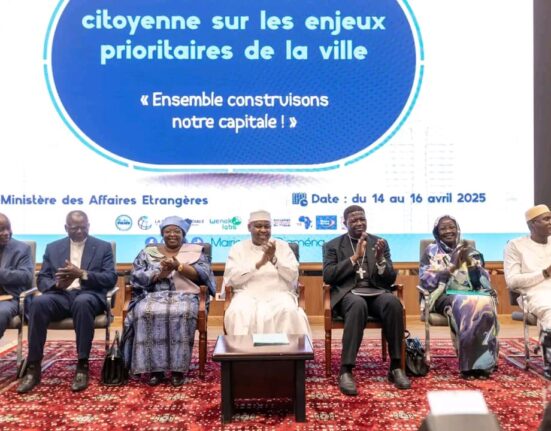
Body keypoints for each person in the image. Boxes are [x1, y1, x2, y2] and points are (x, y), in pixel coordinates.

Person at [17, 210, 117, 394]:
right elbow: (42, 279)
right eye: (74, 228)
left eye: (83, 227)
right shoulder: (53, 248)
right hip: (61, 295)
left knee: (82, 302)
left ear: (88, 226)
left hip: (89, 295)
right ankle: (33, 367)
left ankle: (82, 365)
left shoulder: (102, 247)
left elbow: (110, 278)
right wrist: (57, 285)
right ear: (66, 228)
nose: (79, 231)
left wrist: (82, 274)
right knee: (38, 303)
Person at [322, 205, 410, 395]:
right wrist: (355, 257)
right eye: (354, 220)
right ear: (344, 223)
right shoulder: (333, 245)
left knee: (393, 303)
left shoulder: (379, 243)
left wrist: (380, 260)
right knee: (357, 304)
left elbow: (390, 279)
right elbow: (328, 276)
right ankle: (346, 370)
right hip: (349, 294)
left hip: (376, 292)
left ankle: (396, 367)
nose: (359, 223)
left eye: (362, 219)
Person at [123, 216, 215, 386]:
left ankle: (178, 370)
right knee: (144, 312)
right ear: (162, 234)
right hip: (153, 295)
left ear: (183, 234)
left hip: (186, 295)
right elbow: (135, 276)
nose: (172, 234)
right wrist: (159, 274)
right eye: (168, 231)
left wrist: (178, 267)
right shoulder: (148, 252)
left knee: (182, 312)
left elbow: (203, 275)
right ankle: (155, 370)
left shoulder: (195, 251)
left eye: (177, 231)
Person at [419, 215, 499, 379]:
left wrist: (476, 270)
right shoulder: (431, 251)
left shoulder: (468, 249)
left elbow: (482, 277)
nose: (448, 231)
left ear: (457, 229)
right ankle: (469, 365)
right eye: (443, 228)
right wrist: (452, 267)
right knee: (466, 303)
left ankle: (484, 364)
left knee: (484, 302)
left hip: (471, 292)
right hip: (442, 295)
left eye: (452, 227)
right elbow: (427, 281)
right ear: (437, 232)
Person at [223, 210, 311, 338]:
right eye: (258, 226)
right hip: (246, 295)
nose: (263, 230)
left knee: (288, 310)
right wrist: (258, 264)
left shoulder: (283, 246)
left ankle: (286, 350)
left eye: (267, 226)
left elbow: (293, 276)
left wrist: (274, 259)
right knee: (238, 312)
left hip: (279, 294)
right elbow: (233, 279)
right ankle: (242, 349)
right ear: (249, 227)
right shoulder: (238, 248)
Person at [504, 204, 551, 378]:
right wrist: (544, 273)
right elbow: (512, 281)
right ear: (532, 224)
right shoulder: (516, 246)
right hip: (533, 292)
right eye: (546, 219)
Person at [0, 213, 34, 340]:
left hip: (9, 298)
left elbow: (26, 276)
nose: (6, 233)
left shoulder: (21, 249)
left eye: (8, 228)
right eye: (1, 229)